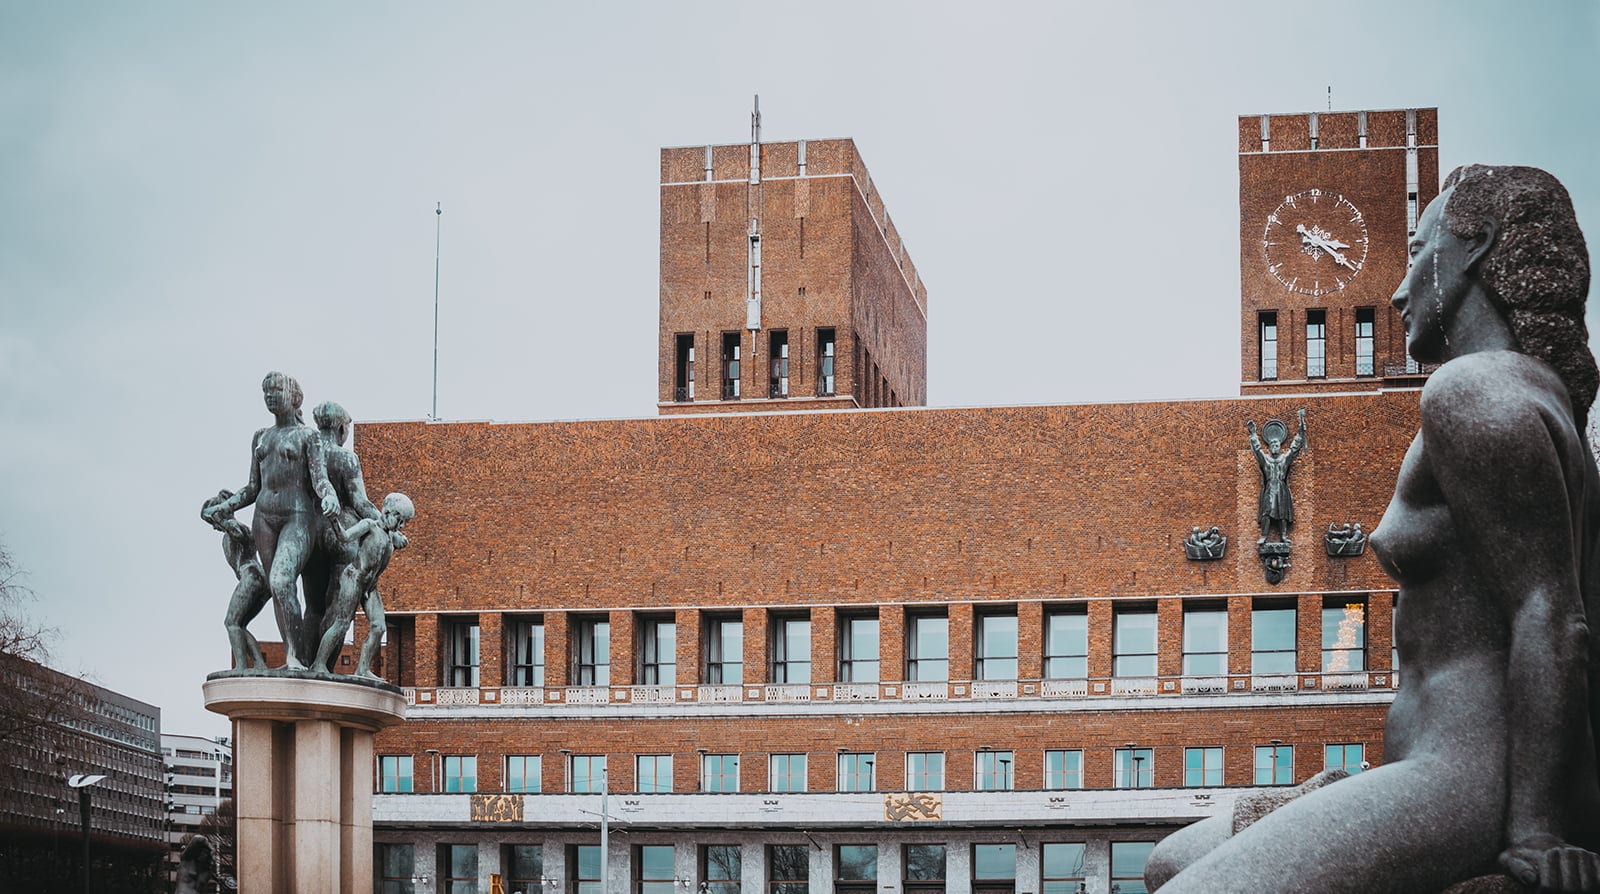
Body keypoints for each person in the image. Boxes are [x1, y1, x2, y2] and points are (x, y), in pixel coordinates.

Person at [1149, 166, 1600, 892]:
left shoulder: (1473, 389)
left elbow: (1553, 615)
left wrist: (1537, 832)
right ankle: (1315, 802)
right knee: (1170, 858)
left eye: (1420, 252)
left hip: (1459, 780)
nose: (1398, 289)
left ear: (1475, 248)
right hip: (1424, 764)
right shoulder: (1525, 398)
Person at [202, 372, 340, 669]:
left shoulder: (308, 436)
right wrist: (225, 507)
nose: (270, 396)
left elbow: (320, 480)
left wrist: (330, 497)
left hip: (297, 518)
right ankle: (293, 655)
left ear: (294, 396)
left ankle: (296, 657)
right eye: (266, 391)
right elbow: (253, 487)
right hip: (263, 518)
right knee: (279, 591)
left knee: (281, 579)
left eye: (276, 389)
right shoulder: (260, 437)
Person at [312, 492, 414, 679]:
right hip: (354, 578)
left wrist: (397, 536)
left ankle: (362, 669)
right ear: (387, 512)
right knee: (342, 623)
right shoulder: (369, 525)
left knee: (379, 627)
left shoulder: (391, 537)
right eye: (399, 520)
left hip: (370, 586)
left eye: (404, 522)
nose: (402, 526)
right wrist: (334, 521)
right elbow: (344, 537)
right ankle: (318, 664)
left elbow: (389, 542)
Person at [201, 489, 269, 670]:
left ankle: (240, 666)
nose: (213, 527)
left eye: (211, 522)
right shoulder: (234, 528)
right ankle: (259, 664)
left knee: (231, 623)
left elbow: (238, 534)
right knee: (240, 625)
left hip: (251, 576)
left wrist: (220, 518)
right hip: (260, 578)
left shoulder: (233, 527)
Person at [1246, 410, 1306, 544]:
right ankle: (1264, 535)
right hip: (1269, 488)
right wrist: (1253, 434)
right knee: (1267, 511)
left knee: (1282, 512)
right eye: (1272, 445)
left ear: (1279, 447)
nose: (1275, 447)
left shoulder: (1284, 459)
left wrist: (1300, 433)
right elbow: (1257, 451)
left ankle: (1284, 535)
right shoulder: (1266, 460)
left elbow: (1294, 449)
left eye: (1277, 445)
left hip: (1281, 488)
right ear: (1269, 447)